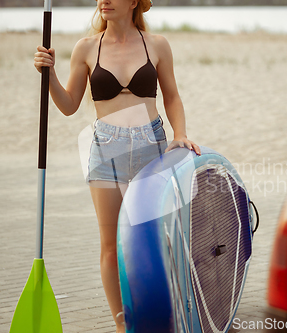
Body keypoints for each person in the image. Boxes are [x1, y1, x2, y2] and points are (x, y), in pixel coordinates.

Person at [34, 0, 201, 331]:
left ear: (134, 2)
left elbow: (172, 96)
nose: (104, 1)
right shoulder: (86, 48)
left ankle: (165, 315)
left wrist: (179, 133)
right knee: (111, 247)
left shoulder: (156, 45)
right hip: (105, 151)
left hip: (151, 149)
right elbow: (68, 105)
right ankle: (123, 324)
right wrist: (49, 75)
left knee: (155, 241)